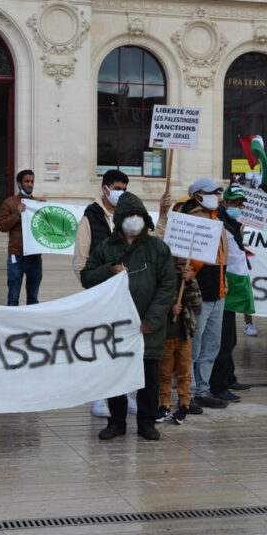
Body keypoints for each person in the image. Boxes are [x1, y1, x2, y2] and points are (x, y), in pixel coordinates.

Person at [81, 192, 177, 441]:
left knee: (148, 377)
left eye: (137, 215)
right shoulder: (107, 248)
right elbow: (87, 277)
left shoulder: (158, 248)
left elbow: (168, 286)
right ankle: (117, 422)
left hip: (147, 326)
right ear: (119, 219)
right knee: (115, 376)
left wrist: (153, 320)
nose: (133, 220)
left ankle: (147, 423)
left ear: (144, 218)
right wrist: (108, 270)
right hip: (117, 325)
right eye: (128, 216)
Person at [73, 169, 130, 419]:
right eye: (118, 188)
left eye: (125, 189)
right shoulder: (90, 218)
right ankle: (98, 397)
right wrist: (94, 286)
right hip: (100, 292)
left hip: (126, 292)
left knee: (124, 343)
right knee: (100, 344)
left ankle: (125, 393)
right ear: (105, 189)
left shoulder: (129, 216)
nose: (121, 193)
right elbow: (80, 260)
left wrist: (161, 216)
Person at [181, 178, 230, 409]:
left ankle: (202, 390)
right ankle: (187, 393)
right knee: (194, 346)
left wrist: (225, 281)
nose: (216, 196)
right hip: (197, 293)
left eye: (217, 192)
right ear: (197, 195)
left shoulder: (217, 220)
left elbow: (223, 257)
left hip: (218, 291)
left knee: (211, 346)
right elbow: (181, 256)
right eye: (211, 192)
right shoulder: (189, 219)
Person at [209, 184, 252, 403]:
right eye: (234, 203)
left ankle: (228, 376)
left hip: (233, 286)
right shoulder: (220, 224)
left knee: (231, 338)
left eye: (240, 204)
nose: (238, 207)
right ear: (224, 203)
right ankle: (218, 385)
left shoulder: (232, 224)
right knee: (223, 340)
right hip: (223, 285)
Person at [157, 261, 202, 425]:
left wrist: (190, 281)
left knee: (184, 373)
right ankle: (165, 404)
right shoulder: (160, 275)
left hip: (184, 334)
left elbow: (197, 304)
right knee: (164, 373)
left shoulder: (187, 276)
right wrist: (170, 309)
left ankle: (184, 405)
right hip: (165, 334)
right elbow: (154, 301)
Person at [0, 170, 43, 306]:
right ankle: (12, 325)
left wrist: (46, 209)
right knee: (13, 297)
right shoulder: (9, 203)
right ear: (19, 183)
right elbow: (2, 226)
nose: (30, 184)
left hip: (35, 257)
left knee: (33, 297)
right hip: (16, 256)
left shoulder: (37, 203)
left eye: (32, 181)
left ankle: (32, 324)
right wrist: (17, 213)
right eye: (27, 181)